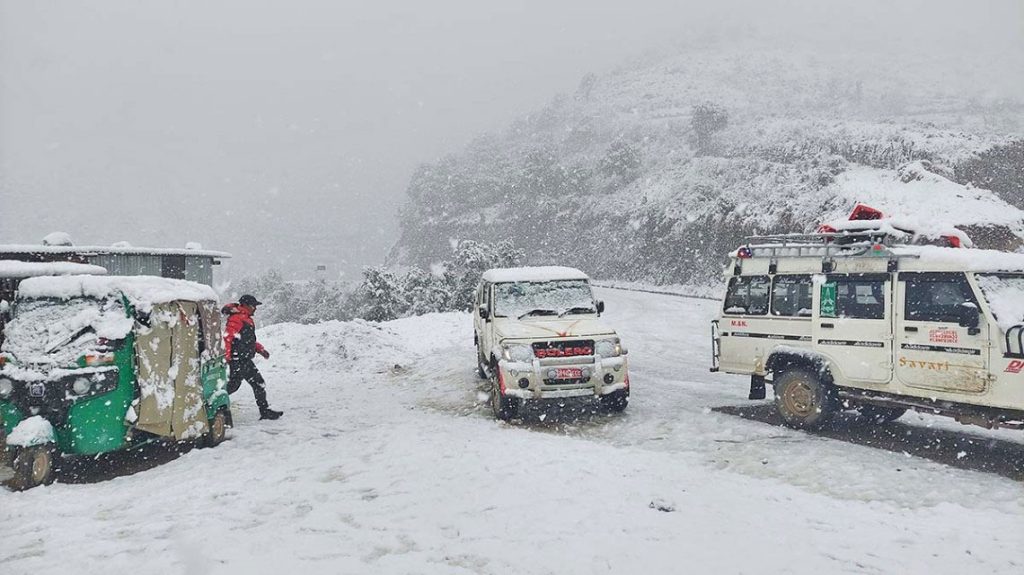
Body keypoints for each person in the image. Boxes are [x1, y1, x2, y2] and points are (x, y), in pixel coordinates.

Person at [222, 294, 282, 420]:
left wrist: (260, 349)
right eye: (254, 305)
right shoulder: (237, 319)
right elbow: (228, 338)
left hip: (241, 358)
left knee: (234, 384)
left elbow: (247, 340)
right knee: (258, 383)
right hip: (239, 359)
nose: (255, 308)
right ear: (247, 306)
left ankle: (213, 400)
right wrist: (227, 357)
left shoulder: (246, 318)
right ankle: (264, 411)